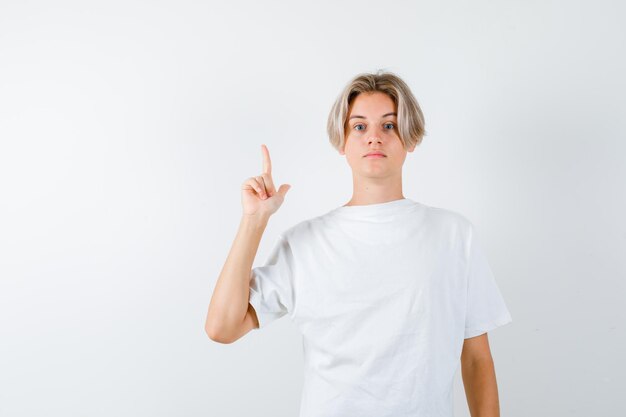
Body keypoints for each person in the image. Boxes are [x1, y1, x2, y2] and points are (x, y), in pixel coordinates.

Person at [205, 70, 513, 417]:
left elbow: (475, 358)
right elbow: (222, 327)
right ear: (342, 141)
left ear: (410, 139)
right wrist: (254, 220)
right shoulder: (305, 243)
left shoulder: (453, 235)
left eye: (389, 125)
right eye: (360, 126)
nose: (374, 138)